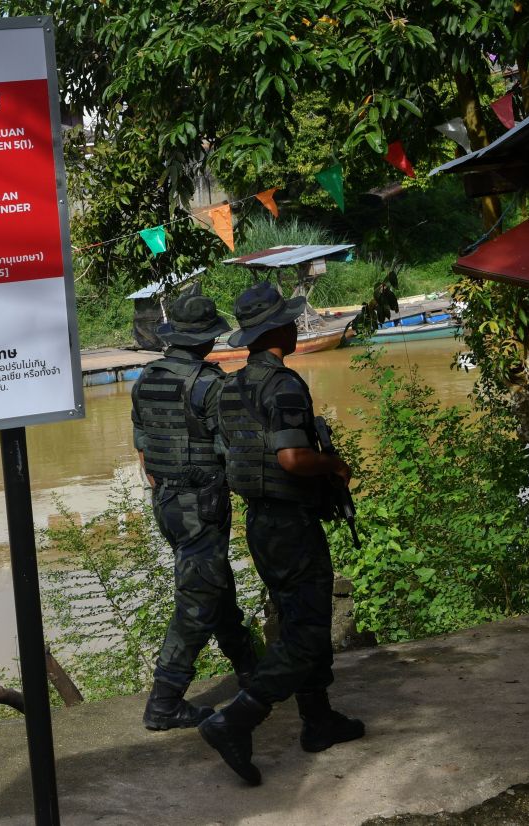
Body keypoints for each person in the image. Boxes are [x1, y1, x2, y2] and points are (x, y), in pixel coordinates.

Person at [198, 281, 364, 785]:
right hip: (291, 524)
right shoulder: (283, 385)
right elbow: (292, 458)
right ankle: (236, 718)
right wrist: (335, 465)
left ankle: (318, 720)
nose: (295, 327)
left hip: (260, 522)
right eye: (289, 321)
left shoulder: (229, 387)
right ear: (277, 331)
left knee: (297, 620)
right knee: (307, 633)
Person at [131, 286, 258, 732]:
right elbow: (234, 451)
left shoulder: (146, 379)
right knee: (198, 599)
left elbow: (143, 448)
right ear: (206, 339)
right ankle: (164, 702)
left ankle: (253, 673)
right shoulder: (210, 385)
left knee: (215, 587)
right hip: (201, 505)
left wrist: (169, 490)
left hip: (166, 502)